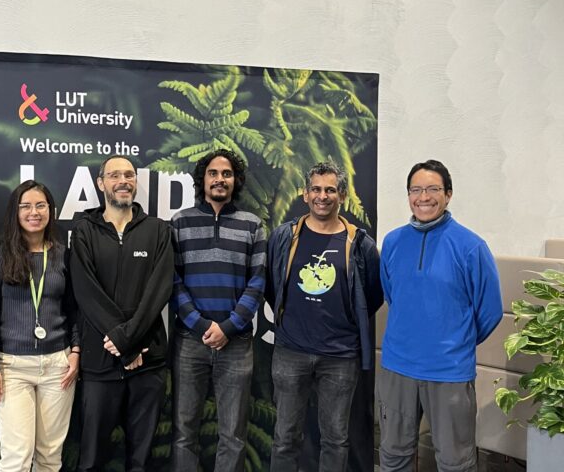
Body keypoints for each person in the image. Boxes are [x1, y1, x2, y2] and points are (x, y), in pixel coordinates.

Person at [378, 159, 503, 472]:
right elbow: (393, 295)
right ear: (408, 195)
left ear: (448, 194)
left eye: (433, 189)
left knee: (455, 463)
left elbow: (489, 311)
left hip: (449, 372)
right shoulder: (392, 242)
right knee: (393, 457)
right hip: (398, 366)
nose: (424, 197)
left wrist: (453, 342)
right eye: (416, 189)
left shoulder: (471, 247)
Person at [265, 162, 383, 472]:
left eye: (330, 189)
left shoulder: (360, 244)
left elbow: (371, 295)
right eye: (316, 189)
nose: (322, 196)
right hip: (291, 350)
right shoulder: (284, 237)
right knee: (285, 437)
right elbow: (272, 285)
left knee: (336, 439)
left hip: (340, 355)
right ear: (305, 194)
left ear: (342, 195)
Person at [69, 155, 173, 472]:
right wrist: (123, 342)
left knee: (141, 461)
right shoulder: (84, 229)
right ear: (101, 184)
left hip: (147, 362)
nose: (123, 180)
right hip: (100, 363)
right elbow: (86, 291)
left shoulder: (158, 230)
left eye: (129, 174)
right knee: (91, 459)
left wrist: (129, 340)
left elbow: (159, 290)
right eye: (115, 175)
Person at [170, 149, 266, 472]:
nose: (219, 179)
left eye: (226, 174)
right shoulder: (180, 222)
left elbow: (257, 281)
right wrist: (200, 325)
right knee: (184, 432)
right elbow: (173, 280)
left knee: (234, 434)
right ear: (203, 179)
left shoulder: (253, 226)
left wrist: (228, 327)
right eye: (213, 173)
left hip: (235, 344)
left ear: (235, 181)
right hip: (189, 341)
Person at [0, 180, 80, 471]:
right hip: (12, 367)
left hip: (57, 367)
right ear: (15, 212)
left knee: (50, 456)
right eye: (25, 206)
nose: (33, 212)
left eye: (40, 205)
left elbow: (73, 309)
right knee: (17, 457)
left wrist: (75, 351)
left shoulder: (63, 255)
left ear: (51, 210)